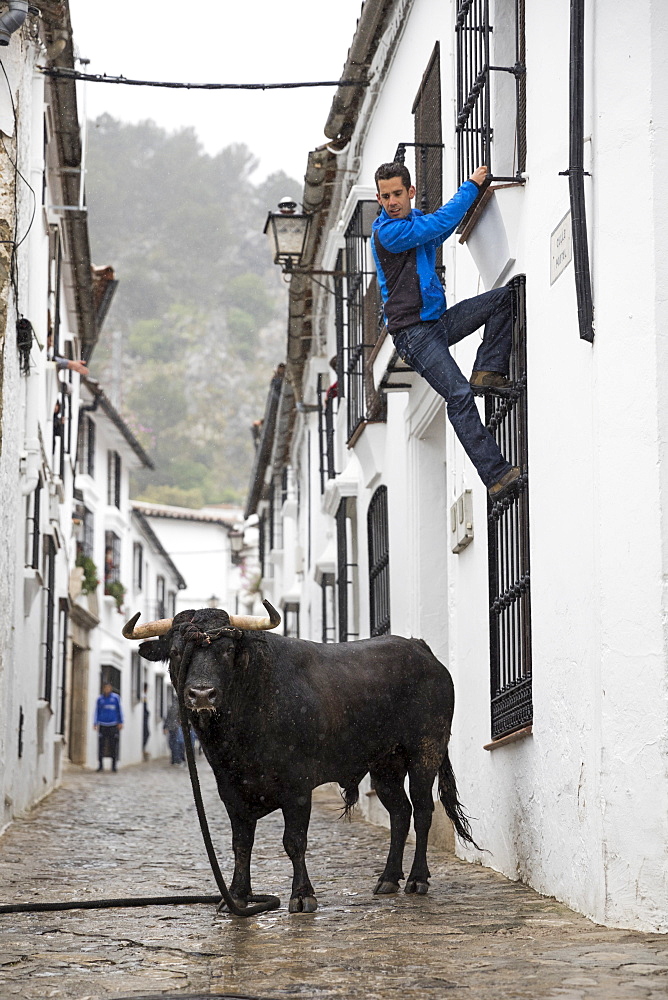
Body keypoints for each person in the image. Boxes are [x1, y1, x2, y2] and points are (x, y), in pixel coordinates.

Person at [371, 161, 521, 502]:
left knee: (503, 299)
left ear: (409, 192)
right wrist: (471, 187)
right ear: (379, 200)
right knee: (458, 396)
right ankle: (497, 477)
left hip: (436, 324)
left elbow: (437, 231)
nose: (391, 201)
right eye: (384, 197)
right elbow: (439, 224)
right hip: (414, 336)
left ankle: (488, 371)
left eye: (396, 194)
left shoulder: (414, 223)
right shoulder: (388, 234)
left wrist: (471, 198)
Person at [93, 681, 123, 772]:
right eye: (105, 688)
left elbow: (119, 710)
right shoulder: (100, 699)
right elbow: (97, 711)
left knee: (113, 745)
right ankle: (100, 765)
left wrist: (120, 721)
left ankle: (114, 766)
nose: (107, 689)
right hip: (103, 724)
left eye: (108, 688)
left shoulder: (115, 698)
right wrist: (95, 723)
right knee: (101, 745)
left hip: (113, 724)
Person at [163, 701, 185, 765]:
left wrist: (165, 727)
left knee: (173, 744)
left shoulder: (171, 708)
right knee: (176, 744)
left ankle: (174, 759)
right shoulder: (179, 708)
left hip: (172, 728)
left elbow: (167, 719)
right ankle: (176, 759)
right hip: (176, 728)